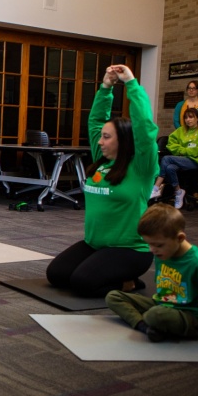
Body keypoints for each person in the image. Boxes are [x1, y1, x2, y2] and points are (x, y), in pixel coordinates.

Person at [45, 65, 158, 297]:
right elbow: (95, 121)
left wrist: (131, 84)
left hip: (130, 249)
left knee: (83, 283)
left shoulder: (141, 166)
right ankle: (106, 271)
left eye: (107, 137)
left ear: (124, 140)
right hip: (95, 244)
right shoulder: (102, 161)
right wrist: (106, 87)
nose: (100, 141)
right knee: (56, 275)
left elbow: (145, 127)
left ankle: (130, 283)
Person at [105, 204, 198, 353]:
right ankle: (145, 327)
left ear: (180, 238)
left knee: (155, 314)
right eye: (149, 244)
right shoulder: (163, 252)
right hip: (164, 304)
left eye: (158, 245)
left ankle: (150, 324)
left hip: (190, 317)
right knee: (113, 296)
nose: (152, 250)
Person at [150, 108, 198, 209]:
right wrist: (182, 150)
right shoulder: (181, 130)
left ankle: (156, 187)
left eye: (191, 117)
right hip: (181, 159)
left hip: (196, 161)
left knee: (166, 159)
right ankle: (178, 191)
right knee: (170, 168)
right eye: (186, 117)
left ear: (197, 118)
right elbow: (170, 144)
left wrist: (188, 151)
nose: (188, 120)